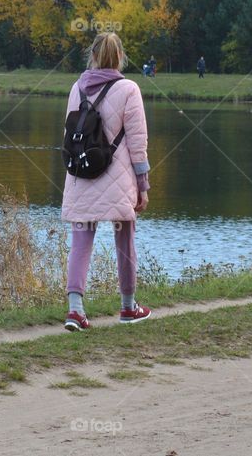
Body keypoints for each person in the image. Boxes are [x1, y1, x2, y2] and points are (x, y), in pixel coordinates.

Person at [61, 32, 152, 331]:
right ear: (120, 57)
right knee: (125, 241)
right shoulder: (129, 89)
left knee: (80, 242)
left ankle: (75, 310)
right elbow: (138, 144)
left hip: (82, 174)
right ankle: (128, 307)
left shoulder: (77, 87)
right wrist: (143, 185)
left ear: (94, 55)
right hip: (118, 178)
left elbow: (69, 133)